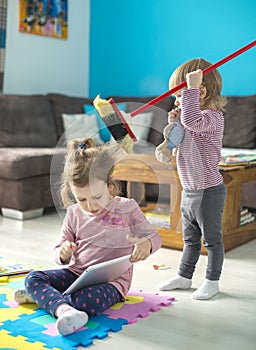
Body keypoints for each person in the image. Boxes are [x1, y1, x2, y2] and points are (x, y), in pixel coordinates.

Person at [14, 138, 162, 336]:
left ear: (110, 186)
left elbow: (154, 237)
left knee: (86, 301)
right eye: (82, 199)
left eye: (97, 197)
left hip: (113, 283)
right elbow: (59, 253)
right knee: (33, 278)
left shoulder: (127, 208)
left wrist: (147, 244)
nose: (90, 205)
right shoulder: (74, 213)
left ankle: (49, 299)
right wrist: (64, 252)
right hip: (76, 275)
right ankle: (63, 309)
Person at [158, 58, 226, 300]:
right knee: (190, 240)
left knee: (212, 241)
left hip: (208, 191)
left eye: (180, 95)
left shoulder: (213, 118)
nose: (176, 102)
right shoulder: (190, 118)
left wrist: (190, 92)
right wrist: (173, 123)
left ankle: (212, 280)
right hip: (189, 190)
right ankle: (185, 277)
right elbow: (179, 138)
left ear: (200, 92)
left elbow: (193, 122)